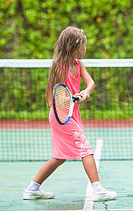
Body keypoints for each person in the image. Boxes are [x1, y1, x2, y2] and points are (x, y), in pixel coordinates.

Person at [23, 26, 117, 201]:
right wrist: (72, 98)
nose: (85, 49)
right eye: (83, 45)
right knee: (86, 149)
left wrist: (85, 92)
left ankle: (32, 188)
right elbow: (58, 96)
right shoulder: (60, 68)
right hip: (61, 117)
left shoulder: (79, 64)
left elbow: (91, 83)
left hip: (72, 114)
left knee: (59, 157)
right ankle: (97, 189)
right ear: (75, 46)